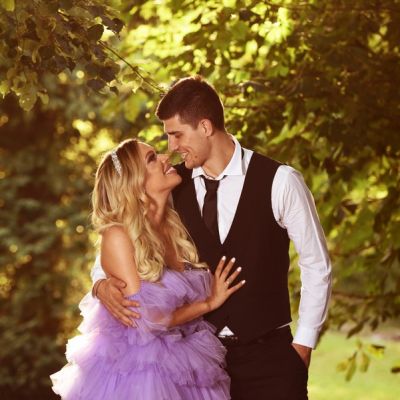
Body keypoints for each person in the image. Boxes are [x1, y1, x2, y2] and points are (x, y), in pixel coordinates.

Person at [93, 76, 332, 399]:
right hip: (198, 366)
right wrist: (100, 284)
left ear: (205, 127)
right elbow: (122, 242)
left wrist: (303, 345)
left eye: (177, 135)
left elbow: (316, 264)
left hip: (270, 360)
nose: (171, 148)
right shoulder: (170, 186)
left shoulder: (280, 181)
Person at [50, 138, 245, 400]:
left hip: (188, 362)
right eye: (152, 158)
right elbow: (144, 318)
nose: (166, 156)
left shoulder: (175, 224)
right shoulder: (118, 234)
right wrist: (209, 303)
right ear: (134, 183)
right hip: (141, 371)